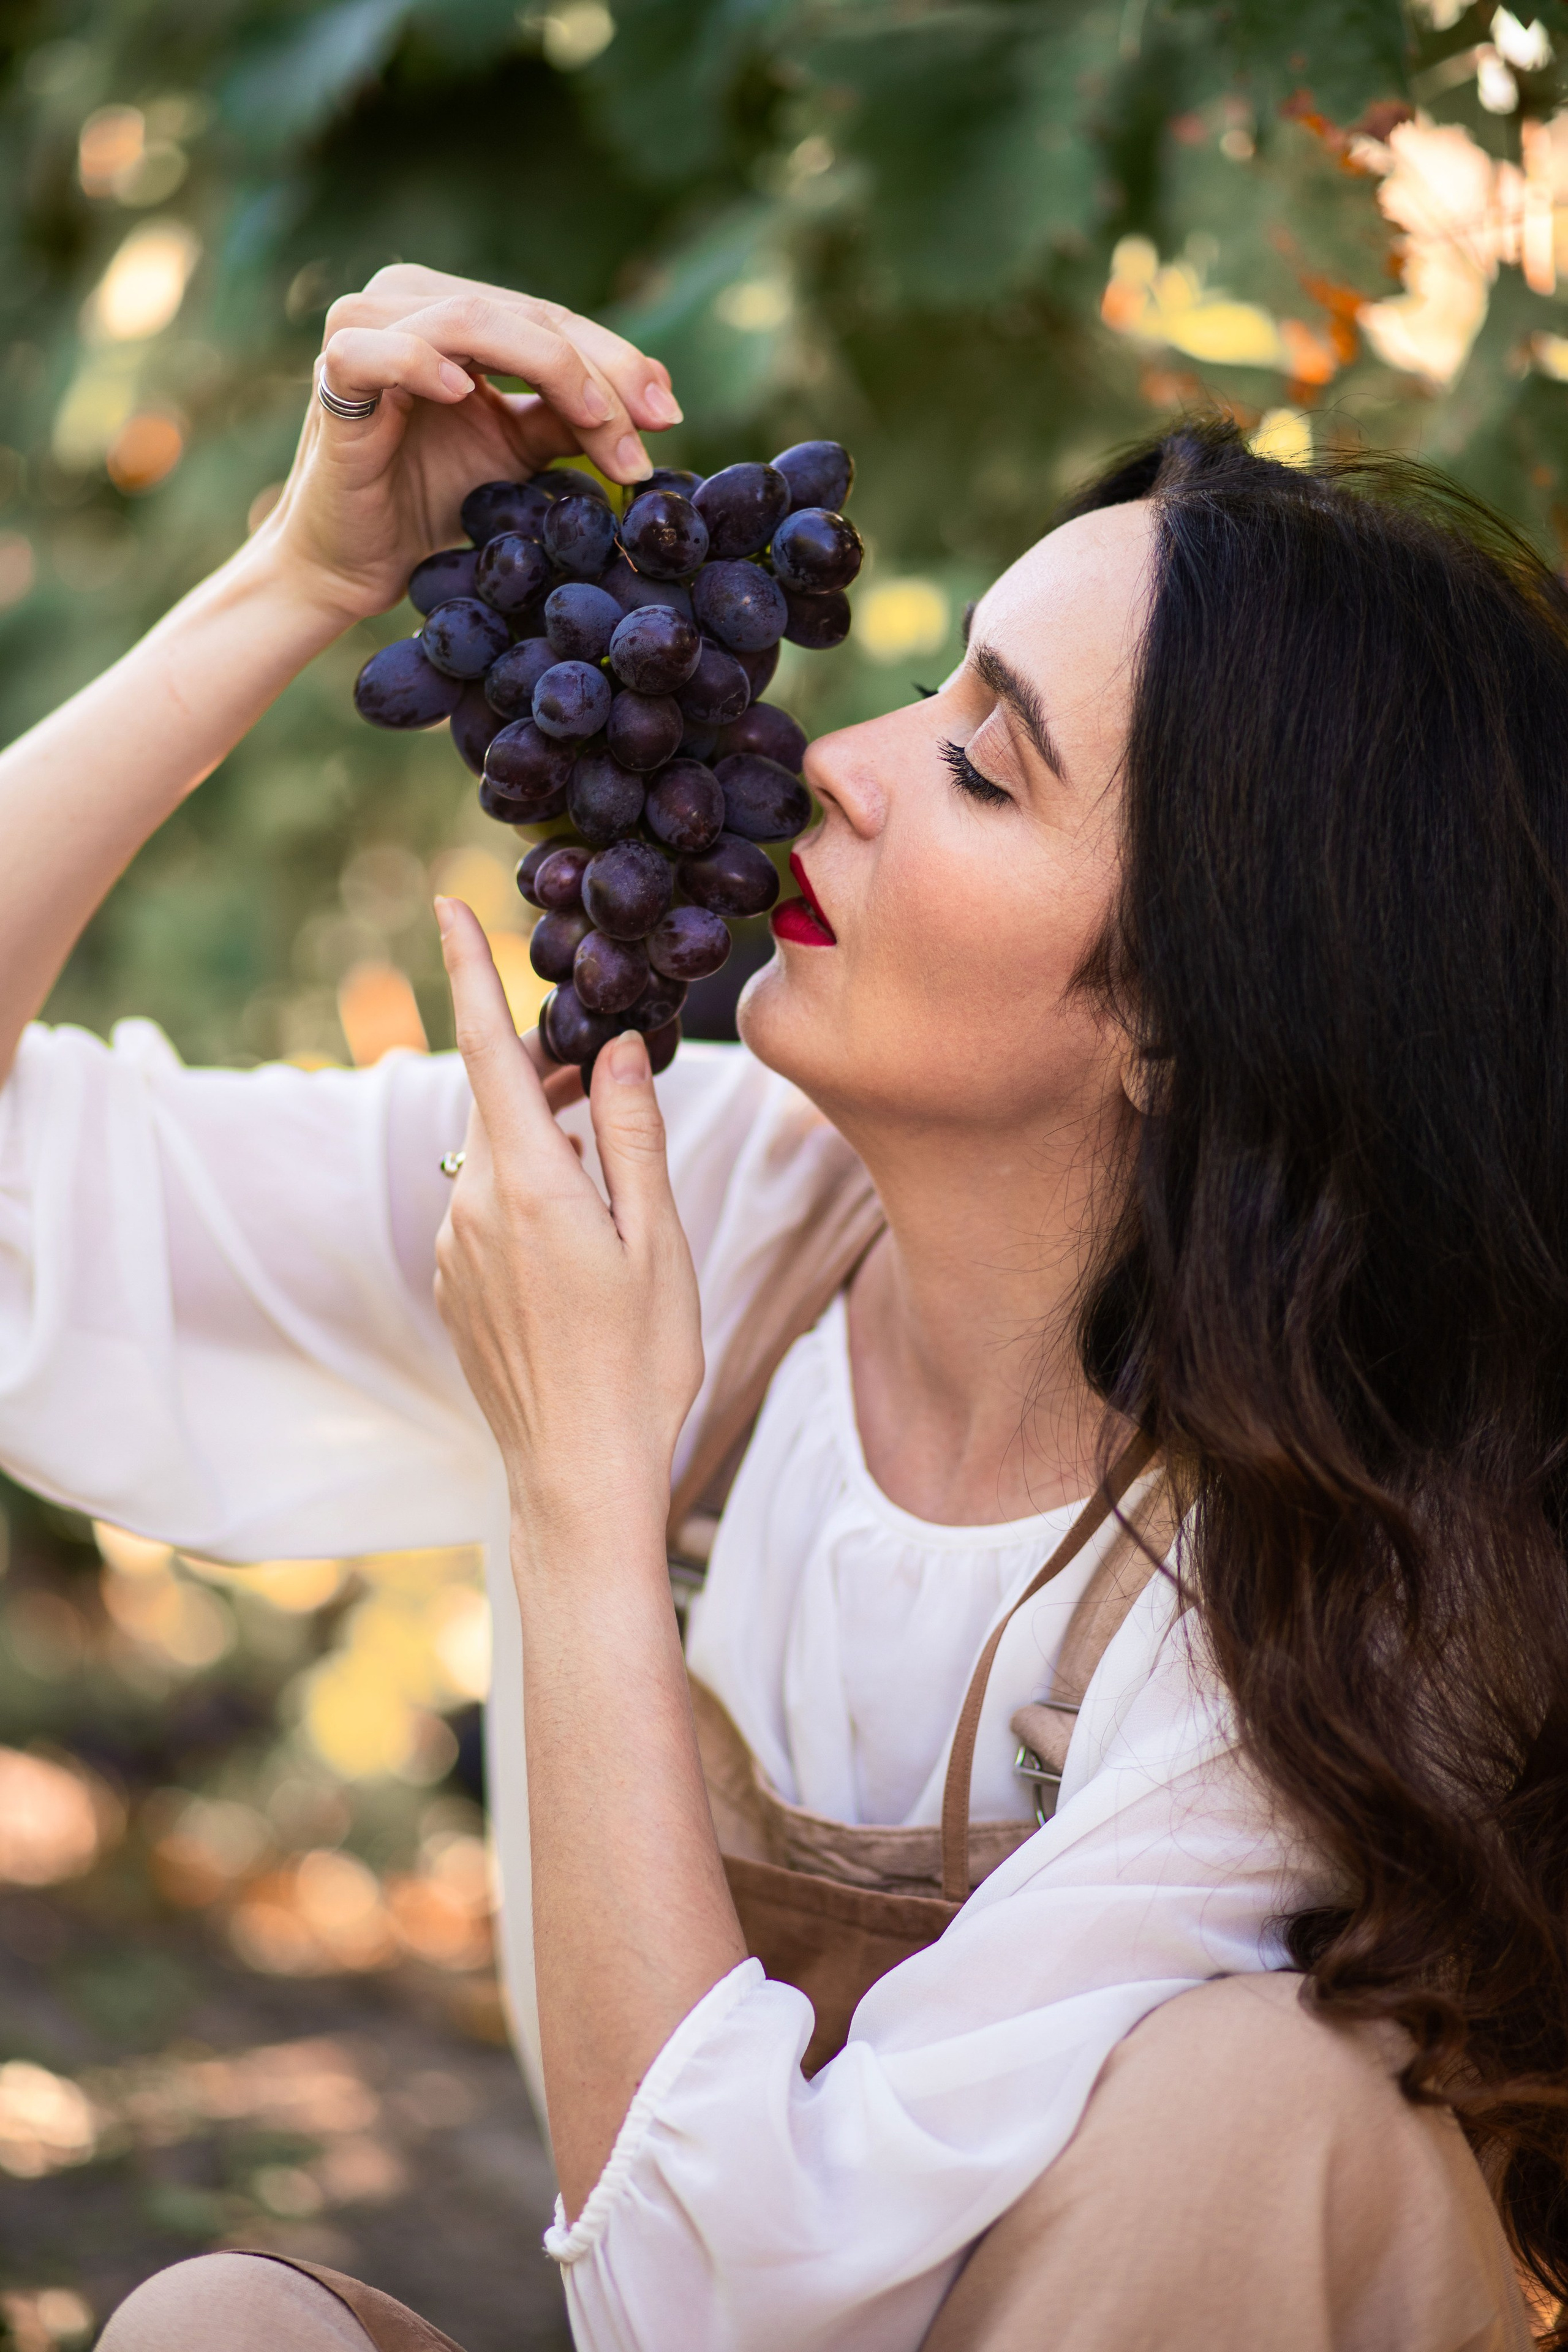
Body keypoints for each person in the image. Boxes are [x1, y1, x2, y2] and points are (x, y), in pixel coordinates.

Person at [2, 265, 1556, 2351]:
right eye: (928, 690)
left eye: (984, 769)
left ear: (1193, 1016)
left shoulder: (1302, 1613)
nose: (832, 760)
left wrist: (579, 1490)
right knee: (222, 2331)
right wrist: (293, 584)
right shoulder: (700, 1197)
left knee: (1272, 2110)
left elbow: (701, 2298)